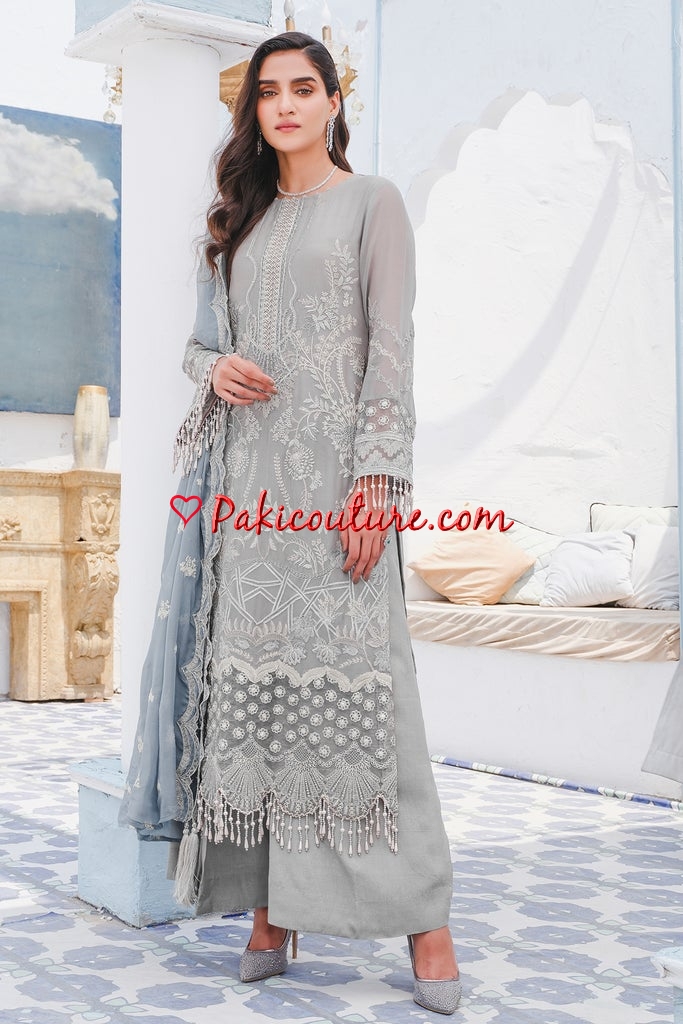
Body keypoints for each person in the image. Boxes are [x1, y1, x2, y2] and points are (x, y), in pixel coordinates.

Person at [120, 29, 461, 1015]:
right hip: (247, 506)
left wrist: (377, 485)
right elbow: (196, 347)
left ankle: (426, 923)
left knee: (371, 710)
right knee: (257, 710)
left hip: (338, 495)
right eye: (268, 92)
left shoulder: (372, 202)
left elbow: (390, 346)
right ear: (254, 111)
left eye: (302, 89)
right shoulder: (240, 221)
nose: (284, 106)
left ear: (331, 101)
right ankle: (270, 910)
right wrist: (214, 368)